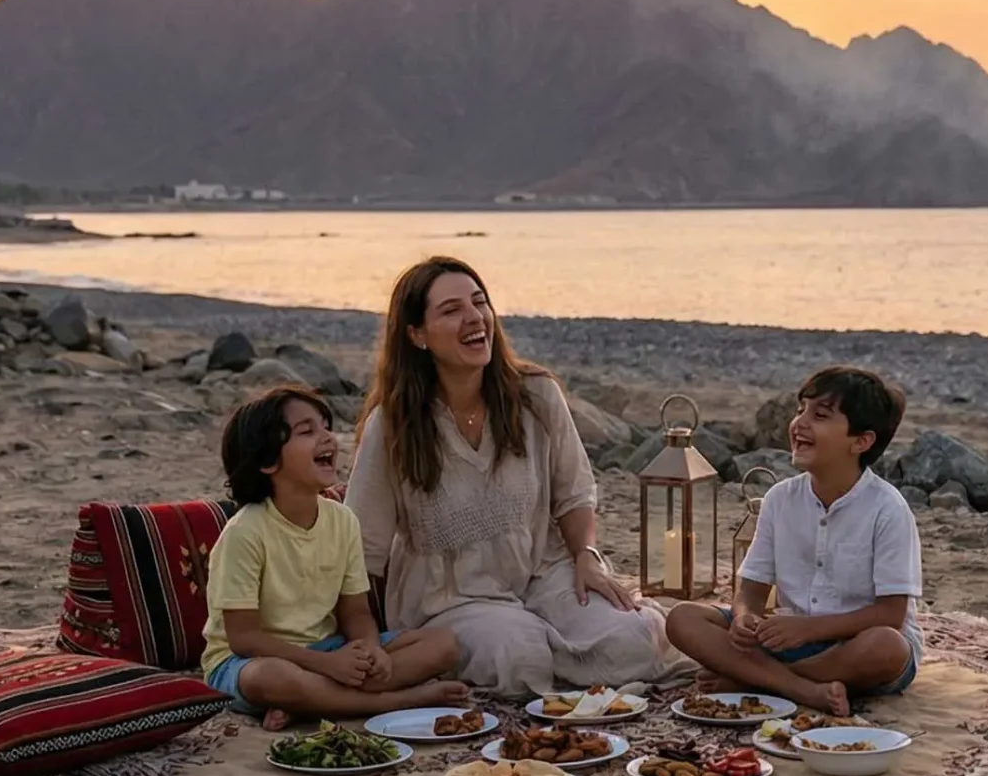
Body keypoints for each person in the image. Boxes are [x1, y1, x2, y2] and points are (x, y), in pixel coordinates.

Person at [342, 256, 688, 699]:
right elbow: (362, 551)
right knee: (521, 655)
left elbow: (574, 491)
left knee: (633, 639)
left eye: (479, 302)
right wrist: (366, 639)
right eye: (451, 310)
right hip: (450, 599)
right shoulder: (393, 424)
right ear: (417, 335)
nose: (474, 318)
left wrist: (585, 554)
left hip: (546, 572)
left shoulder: (537, 396)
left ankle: (558, 654)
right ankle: (551, 659)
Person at [198, 384, 467, 728]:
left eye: (326, 426)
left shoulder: (342, 520)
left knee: (442, 644)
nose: (327, 438)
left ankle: (312, 702)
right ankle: (394, 702)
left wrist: (369, 648)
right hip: (248, 662)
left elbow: (355, 611)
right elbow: (244, 639)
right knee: (272, 678)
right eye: (307, 431)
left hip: (328, 648)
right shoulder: (245, 532)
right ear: (267, 461)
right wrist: (326, 665)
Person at [664, 366, 922, 717]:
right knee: (683, 618)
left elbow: (891, 614)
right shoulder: (779, 499)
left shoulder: (888, 509)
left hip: (856, 647)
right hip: (788, 641)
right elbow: (750, 592)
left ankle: (753, 682)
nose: (800, 423)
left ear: (860, 441)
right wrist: (745, 619)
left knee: (888, 646)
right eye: (800, 410)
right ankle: (801, 689)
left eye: (820, 415)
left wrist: (809, 629)